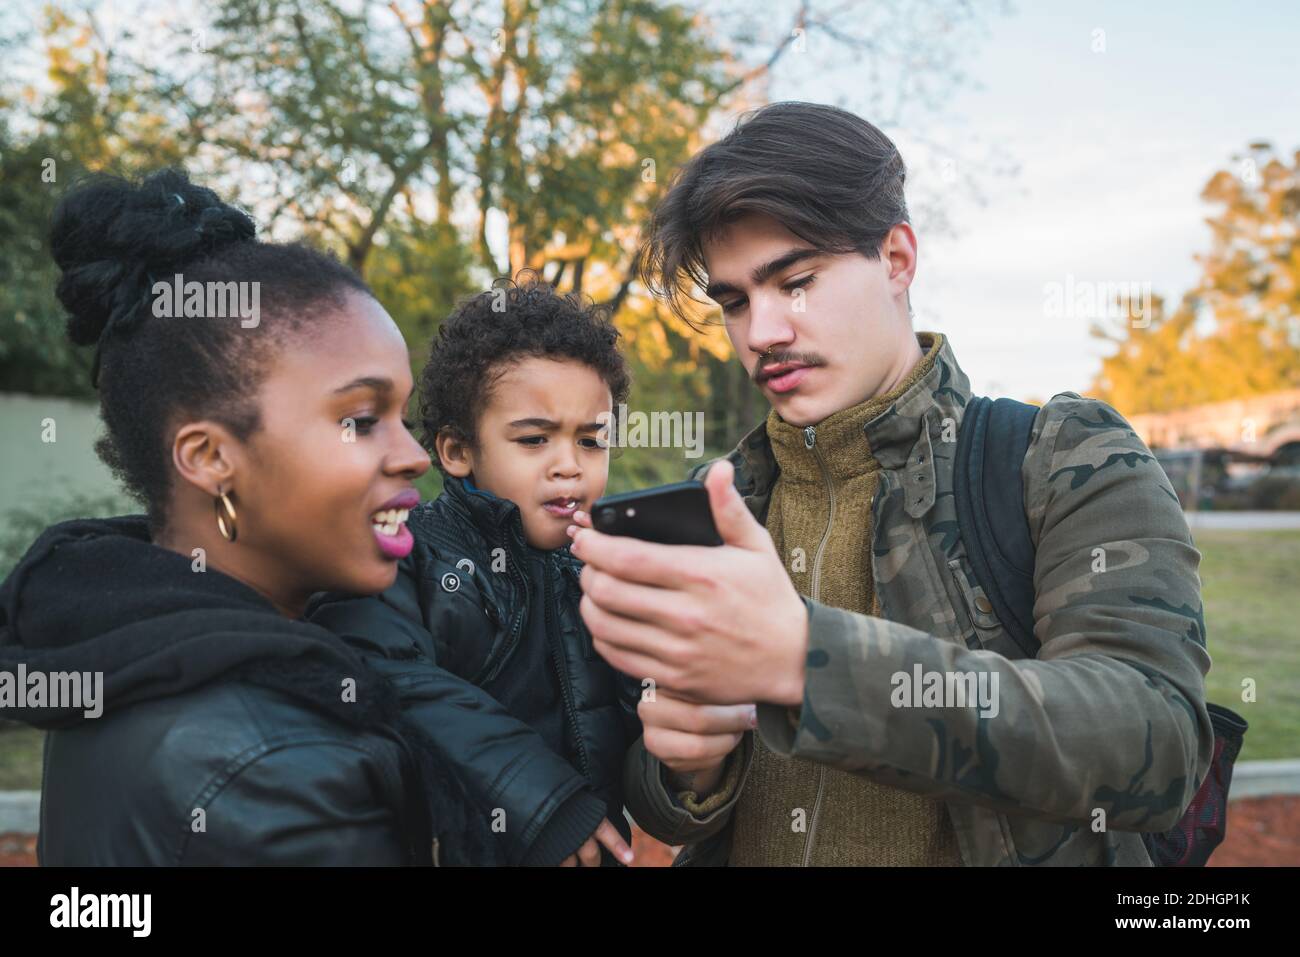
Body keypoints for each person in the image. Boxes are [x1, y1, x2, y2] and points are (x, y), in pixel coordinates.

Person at [569, 101, 1214, 866]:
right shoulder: (720, 500)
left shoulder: (1060, 457)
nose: (762, 331)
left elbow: (1157, 742)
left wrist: (808, 660)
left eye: (796, 280)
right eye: (736, 300)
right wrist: (688, 767)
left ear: (898, 259)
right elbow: (664, 807)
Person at [0, 168, 490, 865]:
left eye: (403, 417)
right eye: (360, 419)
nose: (414, 455)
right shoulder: (278, 766)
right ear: (209, 458)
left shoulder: (121, 643)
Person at [309, 278, 642, 866]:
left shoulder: (605, 570)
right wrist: (546, 803)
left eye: (592, 442)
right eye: (535, 440)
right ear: (458, 452)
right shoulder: (406, 558)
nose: (570, 466)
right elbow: (384, 677)